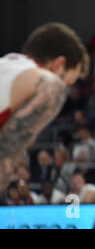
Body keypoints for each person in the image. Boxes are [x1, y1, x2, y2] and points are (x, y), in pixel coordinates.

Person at [0, 22, 89, 192]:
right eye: (68, 82)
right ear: (59, 64)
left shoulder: (10, 65)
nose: (65, 89)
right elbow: (4, 157)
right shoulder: (50, 84)